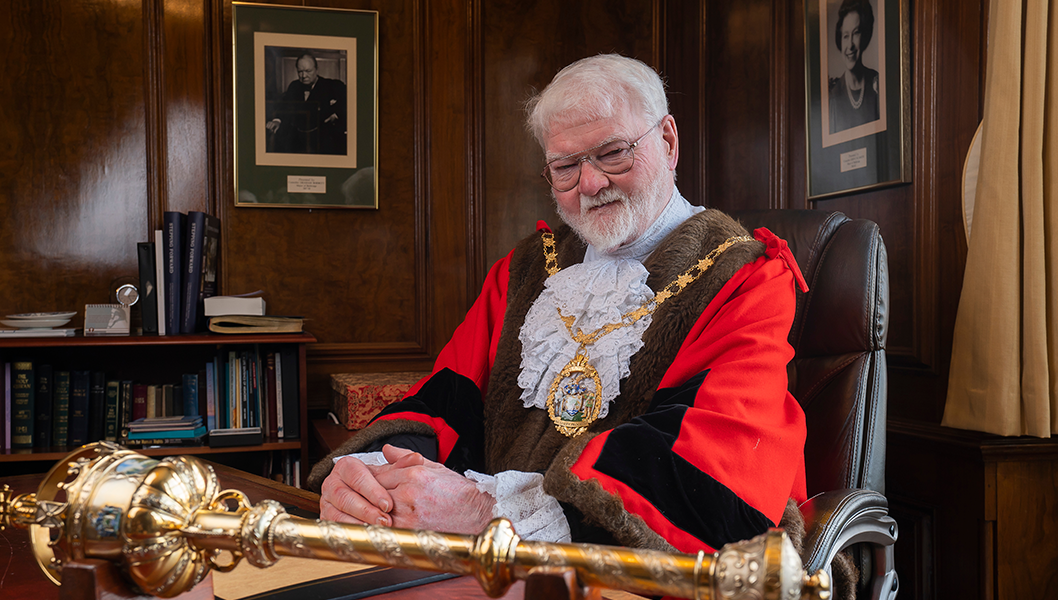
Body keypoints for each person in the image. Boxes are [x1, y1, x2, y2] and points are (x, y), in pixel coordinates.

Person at [309, 54, 809, 557]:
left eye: (614, 153)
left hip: (645, 571)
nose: (589, 184)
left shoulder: (745, 276)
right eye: (565, 166)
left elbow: (718, 461)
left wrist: (488, 513)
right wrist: (368, 481)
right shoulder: (524, 270)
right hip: (486, 563)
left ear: (669, 141)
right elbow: (443, 402)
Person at [266, 53, 347, 155]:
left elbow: (350, 101)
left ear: (316, 70)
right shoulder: (294, 86)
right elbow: (285, 107)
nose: (304, 76)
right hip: (299, 143)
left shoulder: (332, 85)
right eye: (300, 72)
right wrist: (277, 121)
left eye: (308, 71)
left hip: (324, 143)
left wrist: (336, 114)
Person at [828, 0, 879, 133]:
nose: (850, 45)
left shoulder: (878, 86)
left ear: (865, 35)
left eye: (856, 33)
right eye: (845, 36)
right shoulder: (832, 95)